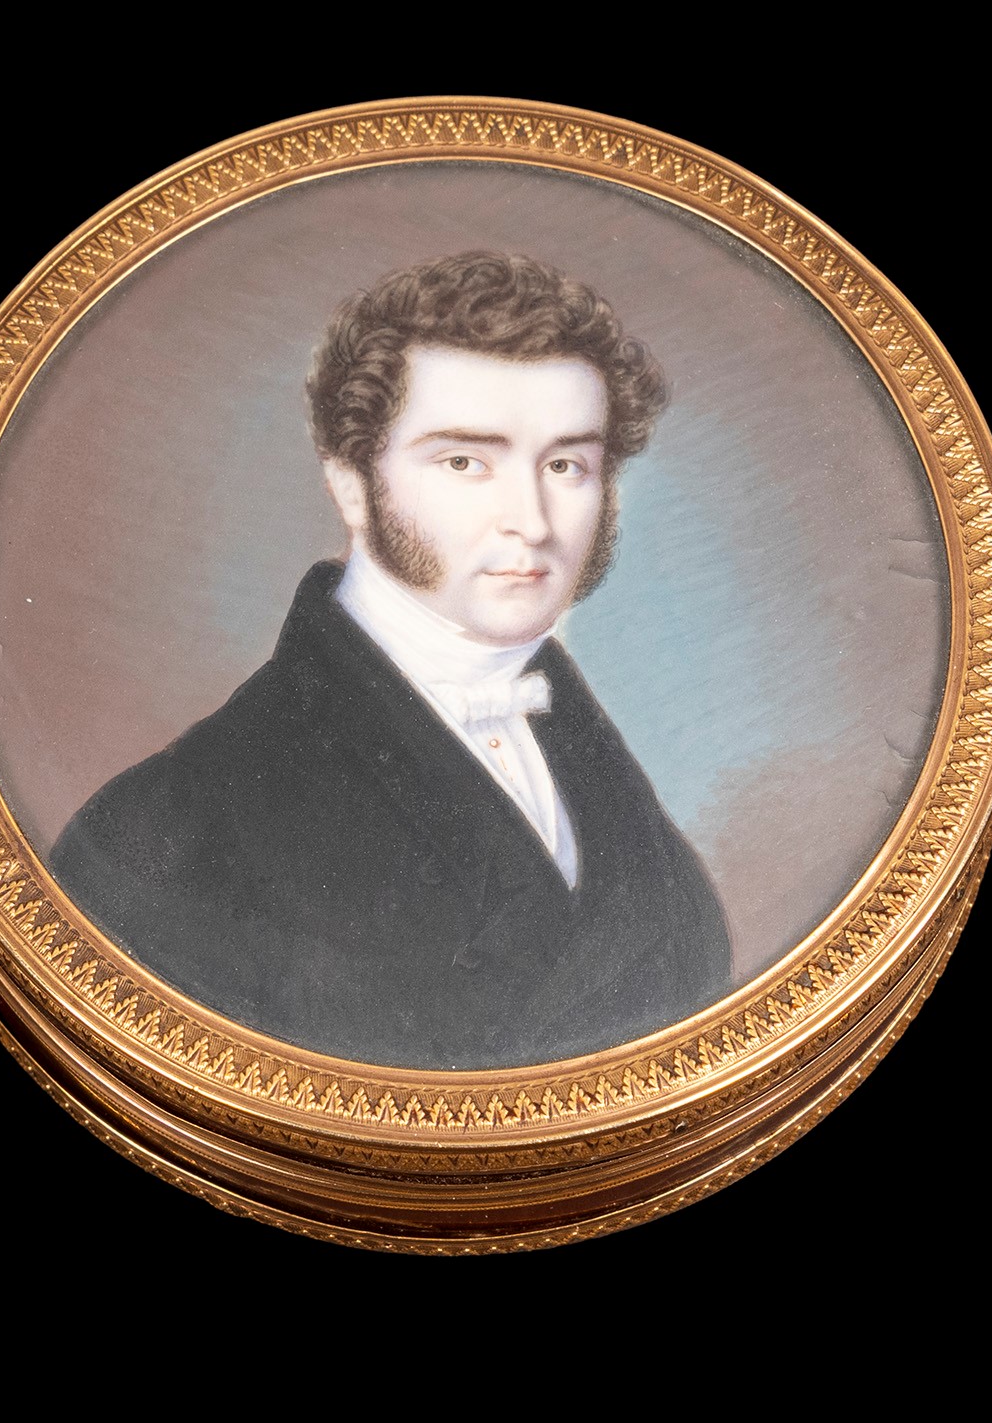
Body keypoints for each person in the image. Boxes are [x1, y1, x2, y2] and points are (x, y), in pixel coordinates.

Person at [48, 249, 733, 1070]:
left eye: (565, 465)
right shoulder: (164, 829)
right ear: (351, 485)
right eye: (465, 462)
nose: (532, 520)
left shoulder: (593, 762)